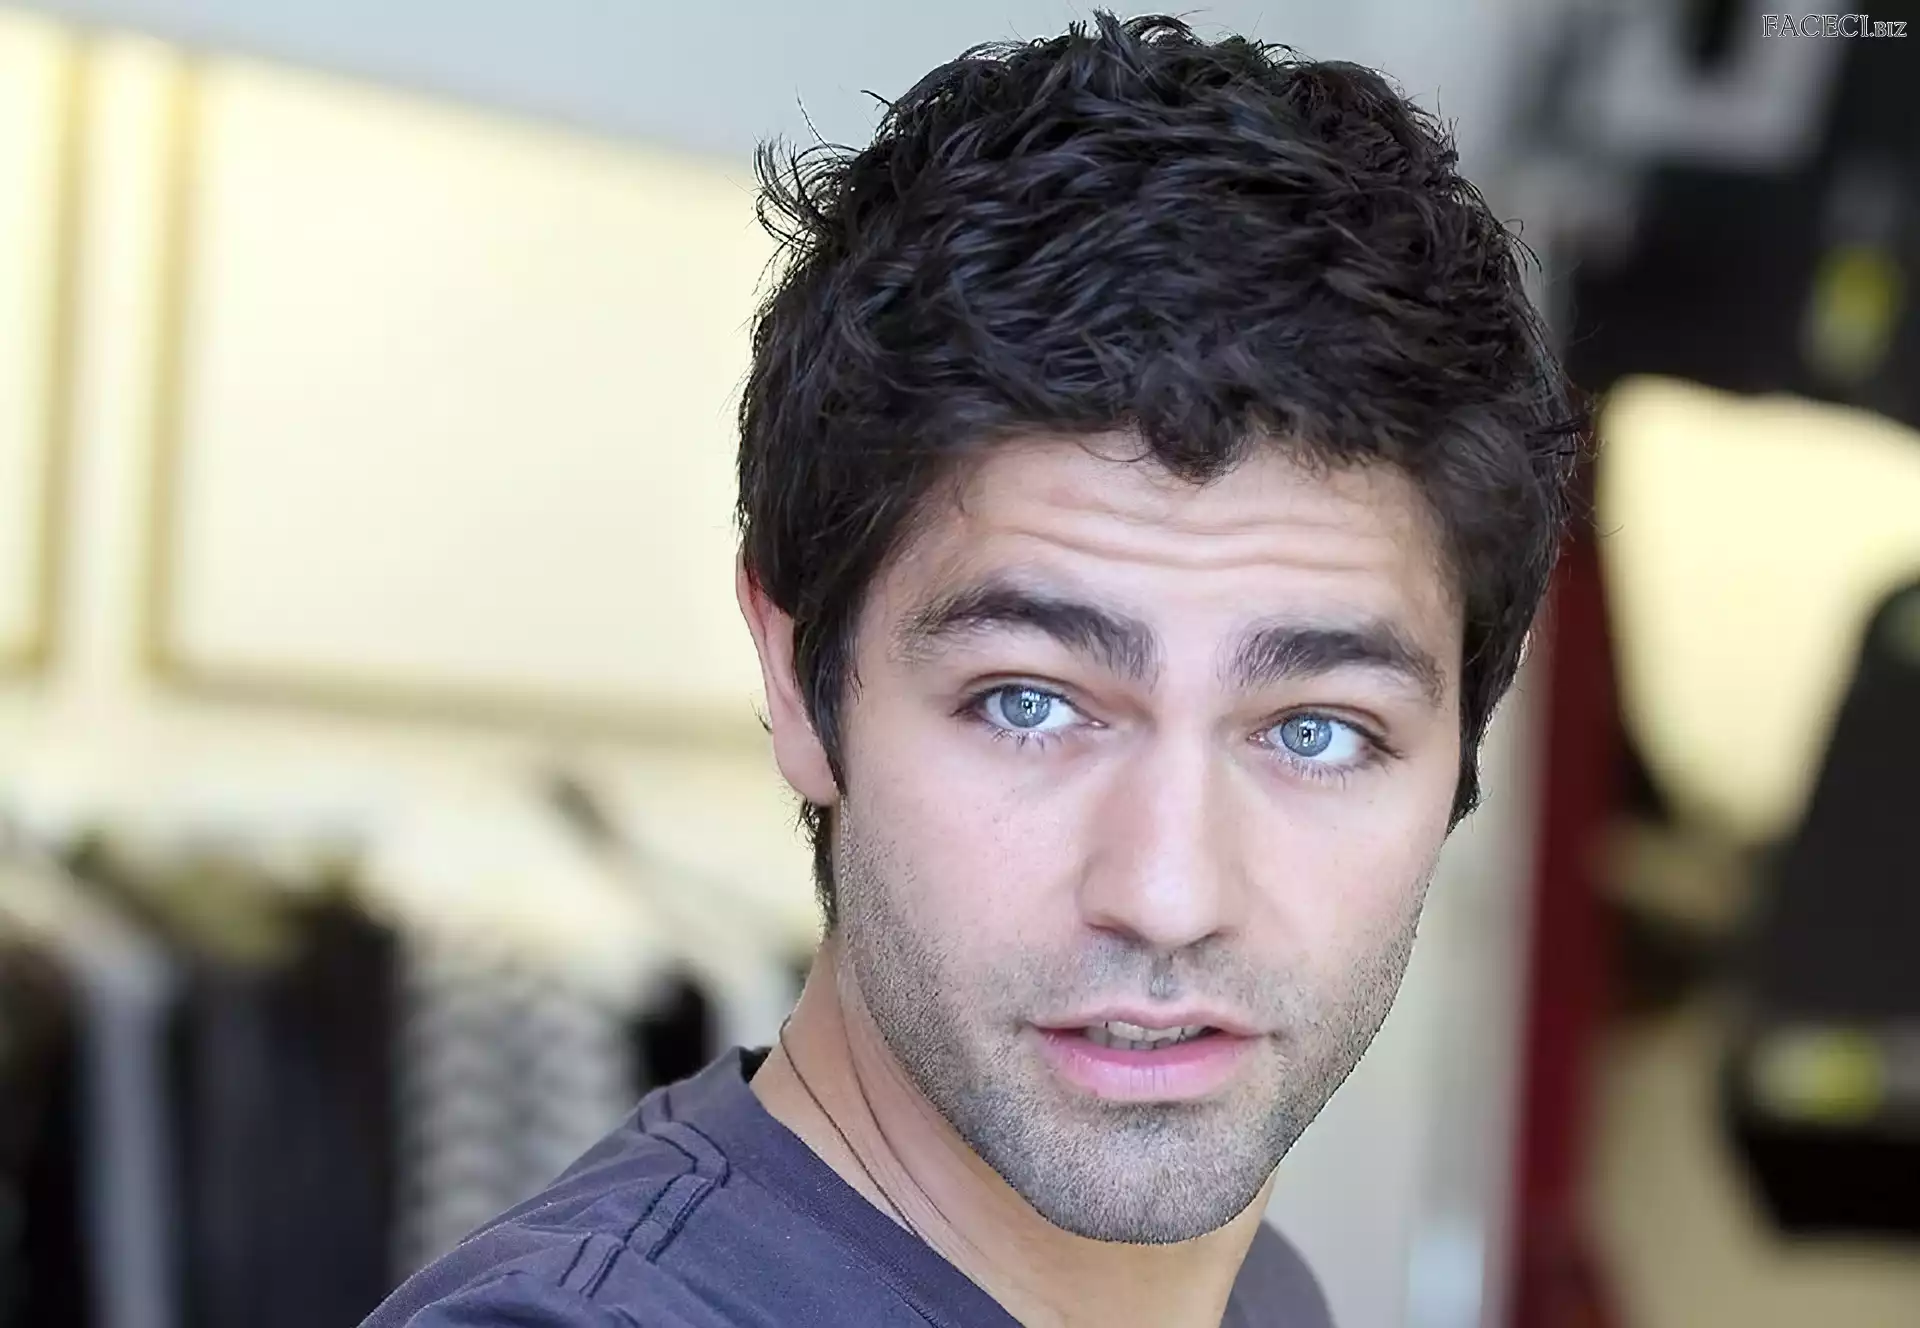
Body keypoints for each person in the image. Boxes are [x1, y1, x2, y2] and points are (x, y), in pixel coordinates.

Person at [362, 11, 1583, 1327]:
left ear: (1472, 731)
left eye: (1316, 730)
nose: (1168, 895)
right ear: (800, 680)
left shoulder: (1261, 1295)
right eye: (1031, 703)